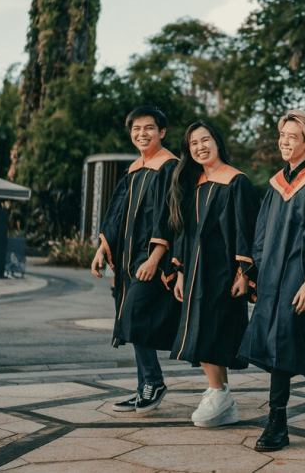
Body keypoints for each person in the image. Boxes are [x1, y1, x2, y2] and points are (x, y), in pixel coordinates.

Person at [238, 109, 305, 453]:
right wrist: (252, 275)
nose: (285, 142)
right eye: (282, 135)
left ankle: (277, 422)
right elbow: (262, 233)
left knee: (284, 341)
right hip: (273, 276)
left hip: (301, 277)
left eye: (293, 136)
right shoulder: (276, 184)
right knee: (291, 344)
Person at [168, 120, 260, 428]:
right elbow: (185, 231)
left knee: (215, 329)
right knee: (200, 329)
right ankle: (220, 394)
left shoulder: (236, 181)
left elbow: (246, 229)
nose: (199, 147)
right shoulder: (194, 183)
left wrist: (244, 273)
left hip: (223, 269)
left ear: (217, 142)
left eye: (205, 140)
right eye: (193, 143)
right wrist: (179, 271)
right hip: (196, 270)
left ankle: (219, 392)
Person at [91, 106, 180, 413]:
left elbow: (170, 217)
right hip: (129, 261)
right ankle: (144, 386)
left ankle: (153, 381)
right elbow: (116, 214)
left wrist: (156, 257)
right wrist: (103, 248)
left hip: (150, 260)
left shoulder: (170, 167)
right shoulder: (134, 169)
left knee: (135, 317)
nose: (142, 134)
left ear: (162, 132)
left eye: (149, 128)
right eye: (136, 129)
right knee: (131, 321)